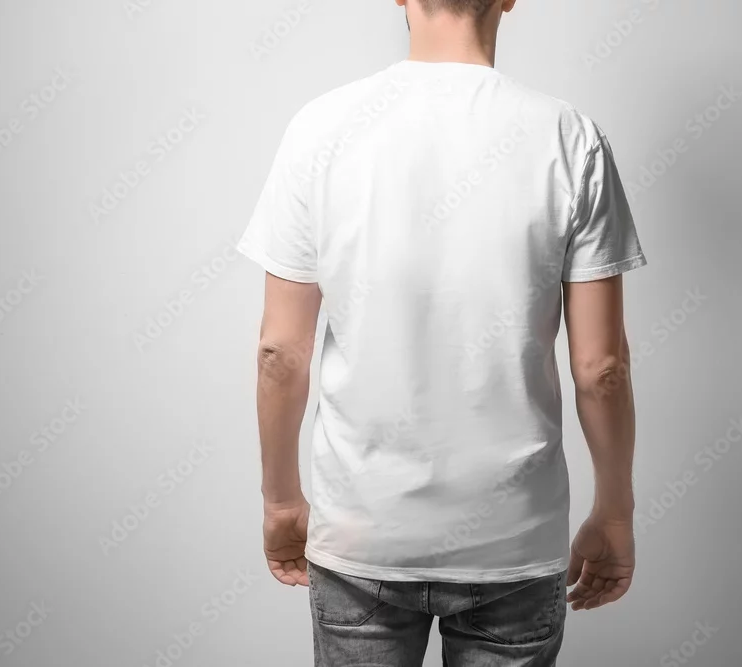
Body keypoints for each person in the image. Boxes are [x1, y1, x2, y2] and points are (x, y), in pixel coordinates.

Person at [236, 1, 646, 664]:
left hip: (363, 533)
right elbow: (602, 370)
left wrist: (281, 500)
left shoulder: (320, 129)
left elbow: (279, 353)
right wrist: (615, 513)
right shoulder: (569, 138)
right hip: (513, 540)